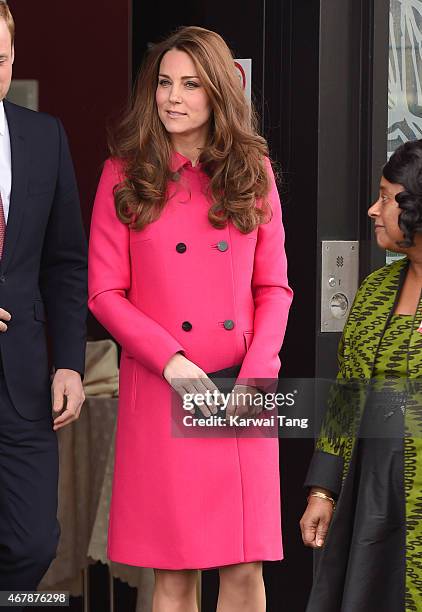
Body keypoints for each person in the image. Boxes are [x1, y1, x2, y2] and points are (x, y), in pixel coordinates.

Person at [88, 25, 293, 612]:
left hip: (241, 389)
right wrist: (171, 362)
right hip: (163, 389)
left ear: (219, 95)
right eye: (164, 83)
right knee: (174, 574)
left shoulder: (254, 175)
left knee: (245, 567)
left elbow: (274, 287)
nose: (172, 97)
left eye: (190, 84)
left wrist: (257, 377)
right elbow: (104, 291)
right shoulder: (123, 174)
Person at [300, 139, 422, 611]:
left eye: (387, 197)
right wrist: (322, 489)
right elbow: (347, 396)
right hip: (370, 491)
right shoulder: (376, 289)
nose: (375, 209)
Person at [0, 1, 87, 597]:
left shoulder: (44, 135)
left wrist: (70, 363)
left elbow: (65, 263)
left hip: (24, 377)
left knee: (33, 542)